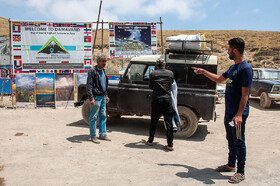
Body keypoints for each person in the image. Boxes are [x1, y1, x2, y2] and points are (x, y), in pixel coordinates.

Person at [192, 38, 253, 183]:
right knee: (230, 139)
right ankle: (231, 164)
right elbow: (219, 79)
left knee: (239, 141)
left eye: (229, 49)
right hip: (229, 113)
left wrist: (239, 115)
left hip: (238, 114)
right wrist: (204, 71)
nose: (227, 51)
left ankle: (241, 172)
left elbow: (245, 95)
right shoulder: (233, 68)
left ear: (235, 50)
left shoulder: (245, 69)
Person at [147, 58, 175, 151]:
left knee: (154, 121)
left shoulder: (153, 73)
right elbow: (171, 86)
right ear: (165, 65)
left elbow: (150, 86)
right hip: (167, 100)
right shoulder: (170, 73)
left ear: (156, 65)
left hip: (156, 100)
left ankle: (150, 141)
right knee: (168, 122)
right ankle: (170, 144)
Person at [87, 53, 111, 144]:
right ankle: (93, 136)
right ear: (98, 61)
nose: (104, 63)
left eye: (105, 61)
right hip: (96, 97)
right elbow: (89, 85)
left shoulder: (103, 71)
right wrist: (91, 98)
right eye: (103, 61)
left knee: (103, 115)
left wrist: (106, 95)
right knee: (93, 116)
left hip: (103, 96)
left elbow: (104, 85)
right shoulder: (92, 71)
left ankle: (102, 134)